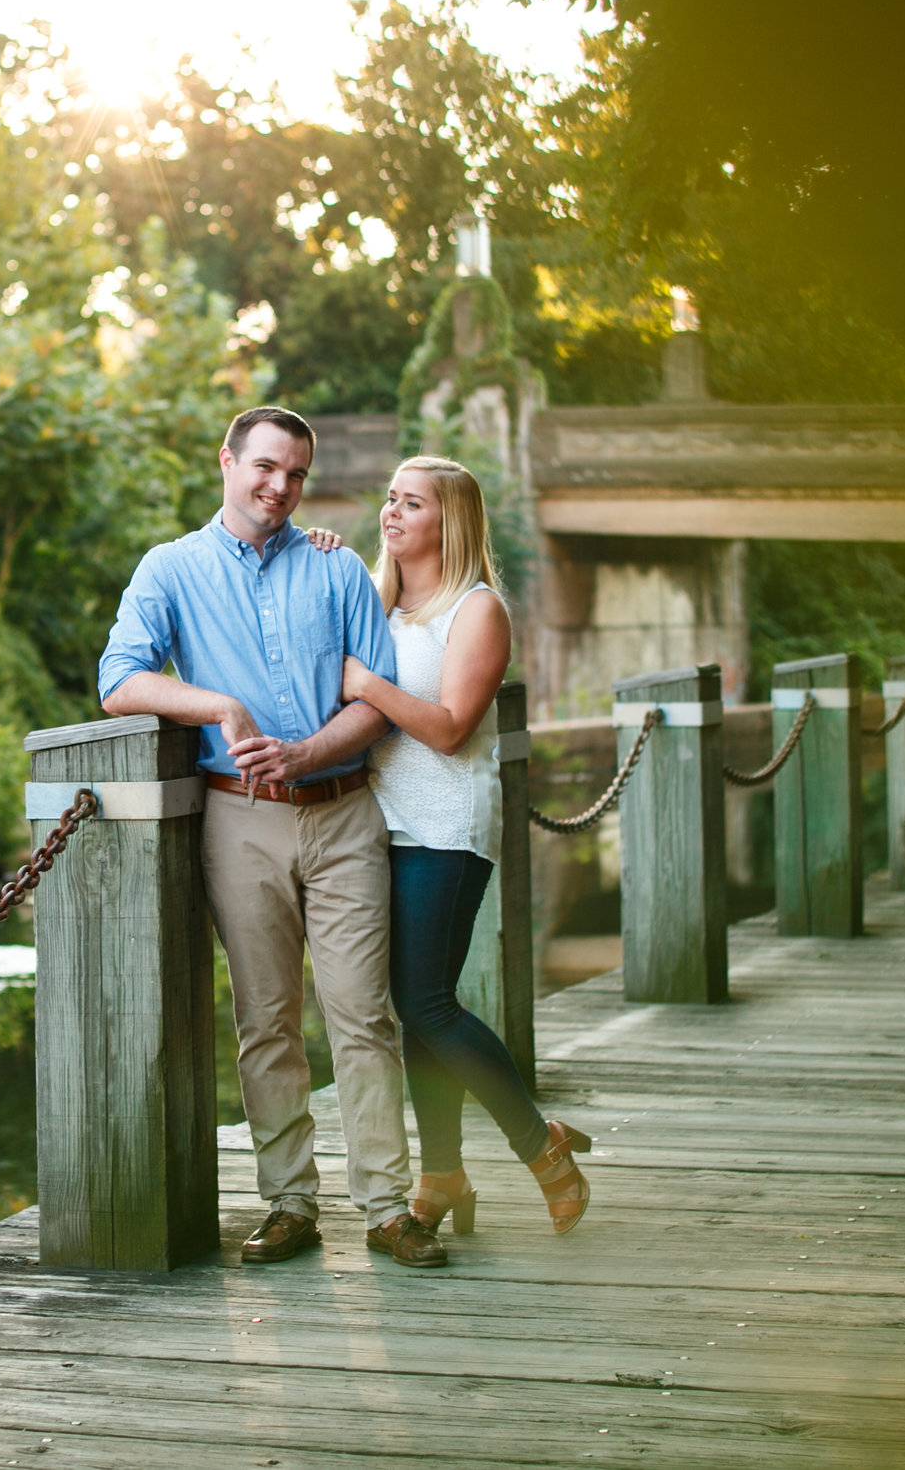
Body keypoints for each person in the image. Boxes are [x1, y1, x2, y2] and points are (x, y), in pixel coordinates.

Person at [98, 406, 449, 1270]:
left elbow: (378, 704)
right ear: (226, 460)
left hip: (342, 815)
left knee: (363, 1016)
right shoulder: (170, 568)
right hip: (236, 820)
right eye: (264, 467)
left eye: (295, 474)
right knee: (265, 1020)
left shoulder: (336, 572)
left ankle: (385, 1206)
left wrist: (301, 753)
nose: (279, 487)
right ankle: (290, 1202)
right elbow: (118, 680)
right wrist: (217, 705)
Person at [309, 456, 597, 1237]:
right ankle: (442, 1175)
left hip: (444, 827)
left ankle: (543, 1148)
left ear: (450, 521)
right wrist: (319, 554)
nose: (391, 514)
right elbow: (313, 635)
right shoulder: (382, 601)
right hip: (376, 823)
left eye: (411, 503)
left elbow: (449, 726)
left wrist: (366, 684)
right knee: (414, 1010)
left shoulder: (477, 610)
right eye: (390, 500)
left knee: (429, 1003)